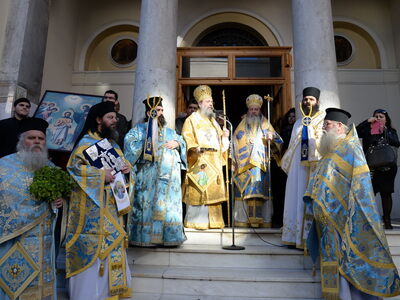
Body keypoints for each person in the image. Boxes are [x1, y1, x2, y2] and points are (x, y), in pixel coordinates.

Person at [304, 108, 400, 299]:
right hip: (326, 216)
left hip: (343, 216)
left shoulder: (351, 148)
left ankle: (347, 296)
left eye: (327, 124)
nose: (324, 127)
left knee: (344, 258)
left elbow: (361, 185)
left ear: (340, 126)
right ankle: (336, 295)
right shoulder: (331, 149)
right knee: (332, 257)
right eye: (324, 123)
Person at [65, 101, 132, 299]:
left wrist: (128, 171)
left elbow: (123, 174)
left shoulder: (112, 146)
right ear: (98, 120)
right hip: (93, 214)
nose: (114, 121)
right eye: (110, 118)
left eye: (115, 118)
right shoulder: (85, 144)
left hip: (113, 210)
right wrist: (100, 175)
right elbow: (74, 169)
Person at [0, 118, 63, 300]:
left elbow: (58, 202)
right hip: (15, 240)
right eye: (32, 138)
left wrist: (57, 203)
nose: (37, 142)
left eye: (41, 139)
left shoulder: (51, 168)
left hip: (45, 240)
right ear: (21, 141)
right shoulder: (4, 166)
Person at [124, 96, 187, 246]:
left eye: (161, 110)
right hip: (147, 180)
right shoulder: (138, 130)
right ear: (149, 113)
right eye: (157, 110)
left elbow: (183, 142)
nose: (160, 113)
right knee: (146, 205)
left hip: (168, 181)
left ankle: (169, 238)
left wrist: (178, 143)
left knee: (167, 208)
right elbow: (129, 148)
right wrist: (146, 141)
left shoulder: (170, 132)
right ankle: (143, 238)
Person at [281, 87, 325, 248]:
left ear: (318, 102)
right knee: (295, 198)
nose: (308, 102)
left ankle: (308, 239)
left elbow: (324, 143)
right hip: (297, 168)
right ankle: (294, 237)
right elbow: (293, 144)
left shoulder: (323, 120)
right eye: (306, 99)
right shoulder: (298, 122)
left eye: (311, 99)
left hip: (314, 166)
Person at [181, 85, 230, 229]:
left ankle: (215, 222)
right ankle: (197, 222)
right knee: (200, 189)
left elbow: (221, 145)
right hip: (200, 160)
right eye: (208, 101)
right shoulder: (191, 120)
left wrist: (225, 137)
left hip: (214, 161)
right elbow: (187, 136)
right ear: (200, 104)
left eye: (212, 101)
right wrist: (194, 148)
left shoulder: (214, 122)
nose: (211, 104)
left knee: (213, 192)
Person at [232, 94, 283, 228]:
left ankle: (263, 222)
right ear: (248, 110)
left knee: (261, 194)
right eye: (251, 109)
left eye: (256, 109)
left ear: (260, 110)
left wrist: (271, 138)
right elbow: (235, 142)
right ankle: (243, 221)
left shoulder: (265, 124)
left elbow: (279, 142)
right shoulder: (241, 125)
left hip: (261, 167)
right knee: (244, 194)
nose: (253, 112)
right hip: (245, 167)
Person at [356, 109, 400, 229]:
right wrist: (366, 122)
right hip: (371, 168)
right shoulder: (367, 129)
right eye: (376, 116)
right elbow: (354, 133)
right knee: (368, 194)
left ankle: (387, 219)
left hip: (387, 167)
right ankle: (368, 220)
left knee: (386, 194)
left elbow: (397, 143)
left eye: (381, 116)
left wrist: (385, 131)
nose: (378, 118)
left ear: (386, 119)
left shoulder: (390, 130)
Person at [271, 107, 296, 228]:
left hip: (292, 165)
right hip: (281, 165)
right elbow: (279, 146)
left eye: (294, 116)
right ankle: (278, 219)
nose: (291, 119)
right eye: (289, 116)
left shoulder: (297, 131)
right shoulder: (283, 131)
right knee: (280, 193)